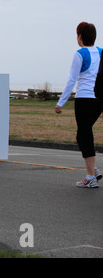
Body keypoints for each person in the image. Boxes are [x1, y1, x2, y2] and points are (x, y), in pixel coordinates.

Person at [55, 22, 102, 188]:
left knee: (85, 135)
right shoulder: (101, 52)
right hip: (99, 99)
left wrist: (61, 102)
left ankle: (90, 177)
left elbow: (71, 79)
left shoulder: (79, 54)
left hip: (85, 98)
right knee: (83, 134)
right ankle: (93, 170)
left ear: (80, 37)